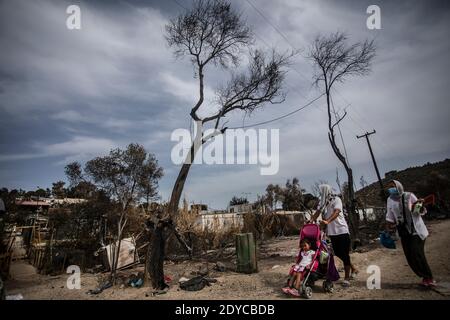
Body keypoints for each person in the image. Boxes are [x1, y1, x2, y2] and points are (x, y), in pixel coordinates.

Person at [385, 180, 436, 287]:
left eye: (392, 186)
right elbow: (390, 216)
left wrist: (419, 205)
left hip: (416, 231)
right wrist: (389, 227)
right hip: (404, 232)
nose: (390, 189)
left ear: (398, 186)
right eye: (389, 187)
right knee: (410, 257)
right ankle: (424, 277)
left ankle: (429, 278)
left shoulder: (409, 196)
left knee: (417, 253)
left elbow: (419, 211)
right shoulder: (390, 200)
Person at [310, 184, 358, 287]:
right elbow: (317, 212)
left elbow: (336, 212)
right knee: (337, 253)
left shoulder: (336, 199)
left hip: (342, 231)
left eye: (321, 191)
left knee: (344, 254)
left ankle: (346, 278)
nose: (320, 193)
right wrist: (310, 221)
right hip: (332, 233)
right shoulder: (323, 203)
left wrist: (327, 221)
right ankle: (353, 269)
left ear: (326, 191)